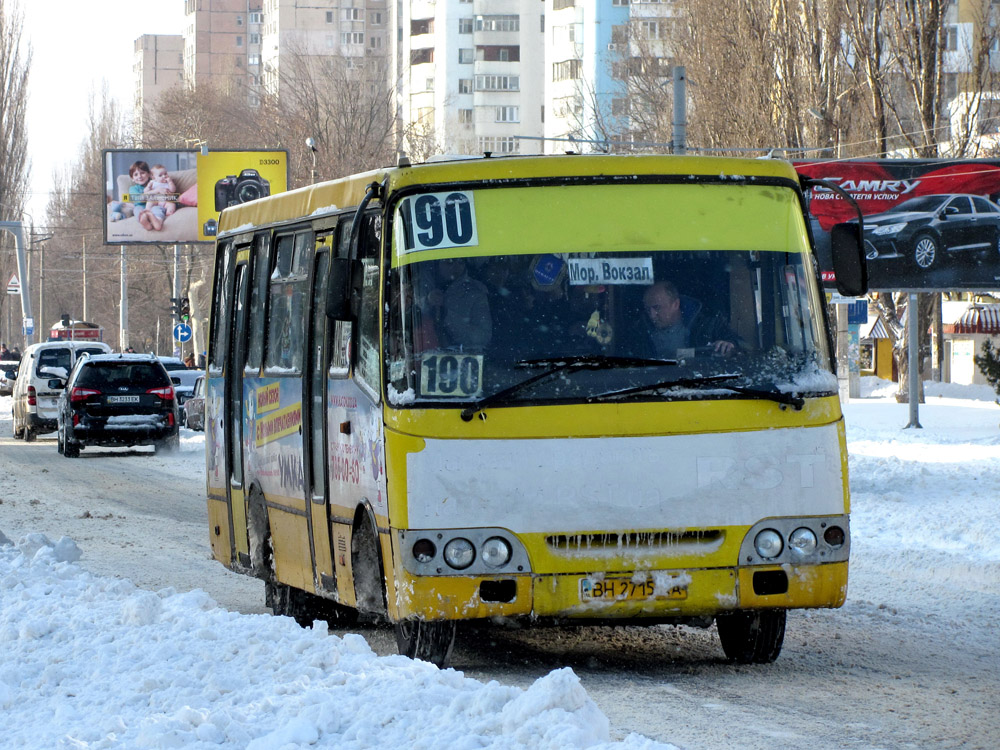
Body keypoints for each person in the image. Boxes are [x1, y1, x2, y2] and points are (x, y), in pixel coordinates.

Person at [642, 280, 737, 358]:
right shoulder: (639, 332)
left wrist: (729, 347)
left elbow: (742, 348)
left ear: (675, 304)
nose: (652, 315)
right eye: (648, 309)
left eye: (657, 308)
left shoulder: (708, 324)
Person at [427, 258, 492, 351]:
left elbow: (483, 337)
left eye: (461, 262)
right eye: (449, 262)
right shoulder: (416, 282)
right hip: (419, 358)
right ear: (437, 263)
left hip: (464, 356)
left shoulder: (475, 292)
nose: (456, 267)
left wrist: (446, 315)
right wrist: (426, 302)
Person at [138, 164, 177, 231]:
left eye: (165, 173)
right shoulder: (152, 182)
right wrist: (148, 187)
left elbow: (173, 190)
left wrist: (170, 182)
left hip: (165, 201)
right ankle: (147, 211)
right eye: (160, 175)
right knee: (150, 200)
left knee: (172, 204)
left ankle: (169, 211)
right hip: (155, 200)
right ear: (154, 177)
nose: (164, 176)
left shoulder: (168, 182)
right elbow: (145, 192)